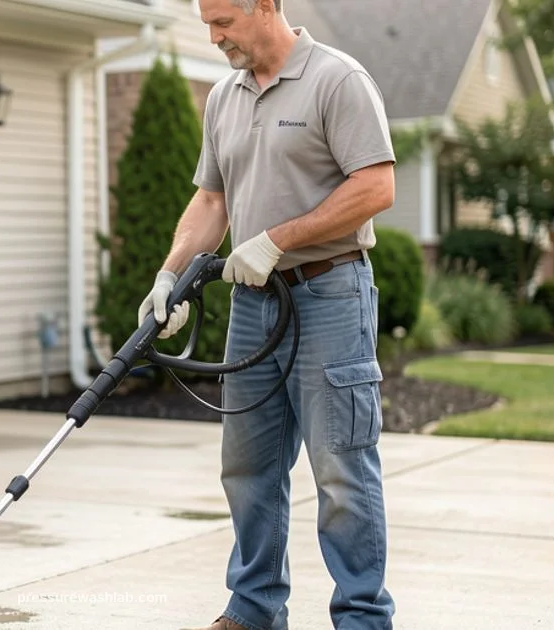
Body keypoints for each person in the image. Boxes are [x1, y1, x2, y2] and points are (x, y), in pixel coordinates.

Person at [137, 1, 398, 629]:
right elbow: (210, 200)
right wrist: (171, 274)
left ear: (265, 6)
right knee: (248, 465)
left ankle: (362, 617)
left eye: (223, 20)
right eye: (206, 21)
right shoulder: (223, 97)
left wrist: (277, 239)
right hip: (252, 306)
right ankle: (253, 610)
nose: (213, 34)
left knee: (340, 467)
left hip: (330, 294)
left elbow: (375, 187)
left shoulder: (336, 79)